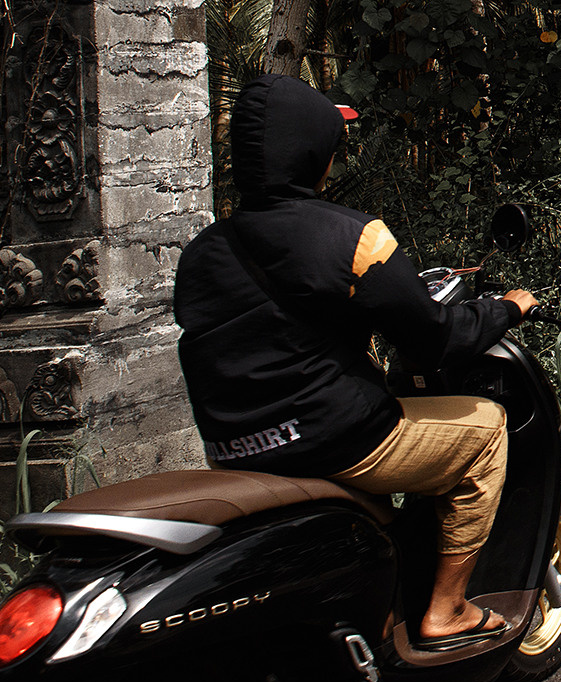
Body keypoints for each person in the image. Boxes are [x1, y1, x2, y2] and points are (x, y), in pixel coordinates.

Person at [172, 74, 538, 652]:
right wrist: (504, 310)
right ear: (313, 152)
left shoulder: (199, 255)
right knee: (487, 429)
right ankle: (446, 610)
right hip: (337, 441)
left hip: (235, 452)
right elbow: (435, 341)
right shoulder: (353, 237)